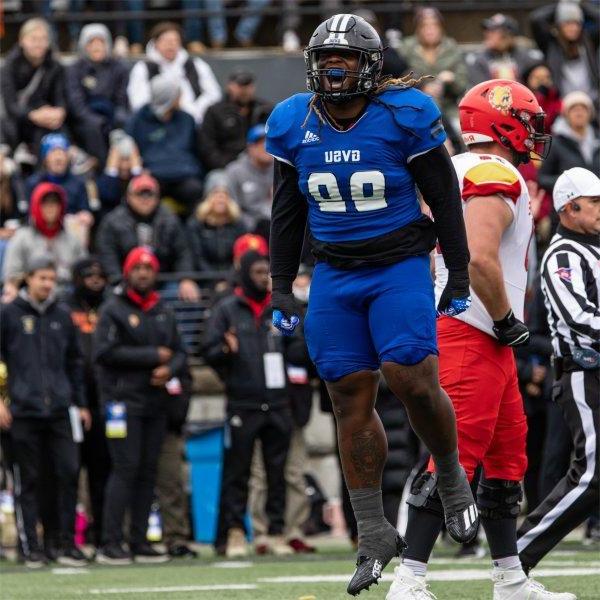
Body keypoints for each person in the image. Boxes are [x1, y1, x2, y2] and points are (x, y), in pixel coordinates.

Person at [266, 14, 478, 595]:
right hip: (334, 272)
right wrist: (281, 284)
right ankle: (372, 531)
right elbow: (286, 210)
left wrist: (458, 271)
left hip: (399, 265)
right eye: (325, 59)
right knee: (346, 395)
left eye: (347, 59)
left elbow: (445, 198)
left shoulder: (404, 113)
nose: (334, 69)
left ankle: (452, 477)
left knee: (410, 375)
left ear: (371, 64)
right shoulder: (292, 120)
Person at [386, 80, 573, 600]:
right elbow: (480, 256)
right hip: (474, 327)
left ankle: (510, 578)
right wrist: (508, 319)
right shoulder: (492, 171)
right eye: (528, 120)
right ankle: (409, 578)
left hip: (476, 330)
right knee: (454, 457)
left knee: (508, 459)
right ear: (502, 121)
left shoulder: (465, 169)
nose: (535, 132)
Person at [517, 167, 600, 573]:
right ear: (570, 208)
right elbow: (579, 316)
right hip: (586, 373)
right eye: (595, 202)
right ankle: (518, 555)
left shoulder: (594, 249)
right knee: (591, 475)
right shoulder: (562, 254)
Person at [203, 251, 307, 558]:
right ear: (247, 273)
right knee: (238, 472)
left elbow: (299, 346)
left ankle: (276, 531)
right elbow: (207, 349)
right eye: (259, 271)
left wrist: (297, 335)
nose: (264, 277)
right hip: (242, 402)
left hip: (278, 403)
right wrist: (225, 349)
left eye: (268, 272)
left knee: (278, 472)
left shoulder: (279, 307)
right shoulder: (227, 309)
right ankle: (235, 532)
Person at [94, 247, 188, 565]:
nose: (144, 273)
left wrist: (169, 369)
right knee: (125, 469)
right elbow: (104, 352)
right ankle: (110, 542)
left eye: (149, 268)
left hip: (155, 403)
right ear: (127, 272)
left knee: (148, 472)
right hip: (122, 403)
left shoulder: (163, 309)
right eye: (138, 268)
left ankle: (139, 541)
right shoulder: (113, 309)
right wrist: (153, 358)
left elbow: (179, 352)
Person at [0, 258, 90, 568]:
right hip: (23, 411)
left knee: (67, 473)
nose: (48, 284)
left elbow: (75, 363)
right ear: (28, 279)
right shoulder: (9, 315)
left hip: (60, 410)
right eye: (42, 277)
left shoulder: (62, 316)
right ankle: (30, 546)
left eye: (52, 278)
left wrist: (80, 403)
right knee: (29, 480)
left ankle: (63, 542)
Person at [62, 257, 110, 548]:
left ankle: (103, 535)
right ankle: (66, 539)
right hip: (71, 402)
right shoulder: (65, 309)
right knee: (68, 472)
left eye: (100, 274)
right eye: (88, 275)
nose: (95, 279)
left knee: (102, 472)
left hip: (104, 401)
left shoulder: (111, 308)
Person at [96, 173, 199, 302]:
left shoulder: (170, 219)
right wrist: (118, 280)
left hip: (161, 280)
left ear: (158, 197)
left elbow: (183, 251)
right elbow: (107, 254)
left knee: (185, 294)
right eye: (140, 194)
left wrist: (186, 278)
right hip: (125, 280)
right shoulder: (112, 221)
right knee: (111, 298)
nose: (145, 199)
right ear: (128, 196)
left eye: (149, 194)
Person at [126, 73, 204, 212]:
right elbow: (130, 148)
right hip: (152, 174)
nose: (180, 96)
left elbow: (197, 150)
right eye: (177, 93)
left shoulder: (187, 119)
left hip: (184, 175)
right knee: (143, 191)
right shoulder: (138, 120)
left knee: (195, 190)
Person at [3, 182, 87, 301]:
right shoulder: (22, 237)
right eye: (45, 204)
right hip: (29, 297)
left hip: (67, 298)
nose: (50, 208)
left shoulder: (72, 239)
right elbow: (12, 276)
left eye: (55, 203)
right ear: (36, 206)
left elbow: (83, 271)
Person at [127, 21, 221, 125]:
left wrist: (195, 111)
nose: (171, 45)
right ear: (155, 43)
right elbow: (138, 101)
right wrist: (162, 113)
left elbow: (214, 94)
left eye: (175, 41)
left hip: (196, 121)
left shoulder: (196, 65)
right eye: (166, 41)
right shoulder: (142, 68)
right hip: (156, 124)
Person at [66, 24, 130, 166]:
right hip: (85, 119)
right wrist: (95, 120)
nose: (96, 47)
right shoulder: (75, 69)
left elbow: (121, 98)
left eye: (100, 42)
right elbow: (76, 102)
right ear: (84, 46)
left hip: (111, 115)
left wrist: (117, 120)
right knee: (93, 130)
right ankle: (103, 169)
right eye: (91, 42)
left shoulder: (119, 68)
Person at [0, 18, 66, 153]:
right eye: (33, 39)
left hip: (45, 117)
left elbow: (60, 97)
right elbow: (10, 106)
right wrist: (34, 115)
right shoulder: (10, 66)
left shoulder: (55, 65)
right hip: (17, 119)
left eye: (42, 39)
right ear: (22, 40)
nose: (38, 44)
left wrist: (60, 112)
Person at [400, 7, 468, 123]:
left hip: (448, 107)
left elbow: (462, 85)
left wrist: (451, 80)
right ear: (417, 28)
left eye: (435, 25)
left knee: (460, 127)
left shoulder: (451, 47)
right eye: (424, 26)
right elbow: (397, 79)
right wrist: (422, 86)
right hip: (414, 106)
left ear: (441, 28)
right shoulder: (406, 47)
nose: (430, 30)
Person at [198, 69, 273, 171]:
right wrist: (225, 166)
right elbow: (207, 147)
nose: (244, 90)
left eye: (248, 85)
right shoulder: (215, 112)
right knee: (218, 183)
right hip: (225, 168)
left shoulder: (265, 109)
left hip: (261, 166)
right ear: (230, 86)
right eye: (240, 85)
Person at [530, 2, 599, 106]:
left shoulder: (589, 42)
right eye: (567, 23)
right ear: (559, 26)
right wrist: (562, 3)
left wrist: (579, 4)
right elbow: (536, 19)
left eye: (577, 23)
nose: (573, 28)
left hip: (591, 105)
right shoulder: (550, 44)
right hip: (562, 106)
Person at [539, 91, 599, 196]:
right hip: (569, 205)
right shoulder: (555, 143)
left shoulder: (598, 139)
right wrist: (570, 182)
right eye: (574, 109)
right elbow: (543, 178)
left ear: (590, 114)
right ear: (566, 114)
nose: (579, 112)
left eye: (583, 108)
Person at [186, 170, 246, 274]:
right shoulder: (196, 224)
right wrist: (215, 281)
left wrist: (228, 281)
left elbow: (240, 256)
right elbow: (198, 258)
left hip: (233, 279)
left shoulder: (238, 224)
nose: (220, 198)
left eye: (225, 194)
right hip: (205, 280)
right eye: (216, 193)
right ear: (208, 197)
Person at [25, 133, 92, 217]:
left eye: (62, 153)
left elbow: (85, 212)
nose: (58, 158)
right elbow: (28, 215)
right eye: (53, 153)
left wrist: (85, 217)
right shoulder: (33, 183)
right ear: (45, 159)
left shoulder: (79, 184)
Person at [466, 14, 543, 85]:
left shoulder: (529, 58)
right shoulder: (477, 60)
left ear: (509, 35)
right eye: (487, 30)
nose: (488, 34)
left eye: (494, 31)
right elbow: (477, 90)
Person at [225, 124, 274, 231]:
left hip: (275, 222)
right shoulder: (235, 171)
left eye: (269, 143)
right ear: (250, 147)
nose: (265, 147)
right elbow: (233, 208)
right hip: (247, 226)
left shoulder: (281, 169)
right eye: (260, 144)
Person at [95, 130, 144, 217]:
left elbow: (141, 194)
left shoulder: (141, 176)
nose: (124, 166)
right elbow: (108, 196)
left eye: (128, 159)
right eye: (120, 160)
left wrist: (136, 169)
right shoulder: (104, 178)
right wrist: (112, 169)